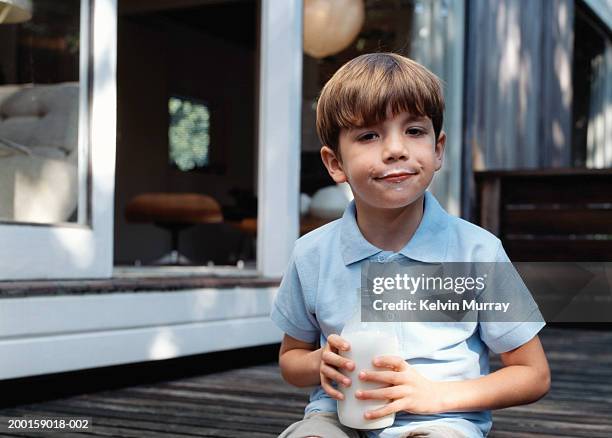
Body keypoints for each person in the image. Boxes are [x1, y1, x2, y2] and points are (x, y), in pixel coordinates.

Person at [270, 52, 550, 438]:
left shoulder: (476, 253)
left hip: (442, 420)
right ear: (335, 164)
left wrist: (434, 396)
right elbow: (291, 360)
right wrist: (319, 362)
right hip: (338, 417)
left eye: (414, 131)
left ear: (437, 149)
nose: (396, 149)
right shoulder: (312, 254)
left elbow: (533, 374)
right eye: (369, 135)